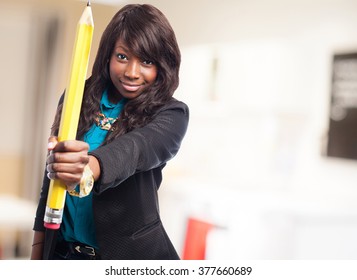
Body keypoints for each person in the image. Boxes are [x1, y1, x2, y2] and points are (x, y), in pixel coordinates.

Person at [30, 4, 189, 260]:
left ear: (163, 65)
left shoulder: (172, 114)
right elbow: (50, 181)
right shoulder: (75, 98)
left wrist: (87, 166)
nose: (132, 73)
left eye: (146, 61)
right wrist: (38, 253)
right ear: (108, 56)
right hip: (63, 255)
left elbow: (135, 149)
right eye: (123, 57)